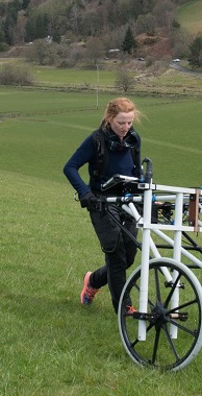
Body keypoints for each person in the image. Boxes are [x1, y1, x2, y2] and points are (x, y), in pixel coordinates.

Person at [63, 97, 142, 314]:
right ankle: (124, 309)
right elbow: (70, 167)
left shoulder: (134, 139)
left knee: (128, 256)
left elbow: (137, 173)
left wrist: (143, 192)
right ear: (109, 119)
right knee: (116, 255)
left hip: (128, 202)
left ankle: (93, 281)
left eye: (129, 122)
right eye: (121, 123)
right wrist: (85, 192)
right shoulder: (95, 140)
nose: (126, 128)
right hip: (101, 202)